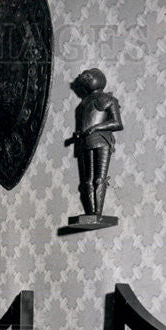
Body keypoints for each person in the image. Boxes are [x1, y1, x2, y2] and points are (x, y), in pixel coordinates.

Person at [66, 68, 123, 218]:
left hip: (102, 140)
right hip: (86, 141)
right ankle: (91, 213)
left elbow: (117, 123)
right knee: (88, 181)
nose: (86, 79)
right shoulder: (83, 104)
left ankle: (98, 212)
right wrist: (80, 133)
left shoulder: (108, 99)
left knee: (99, 178)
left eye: (88, 77)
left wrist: (96, 128)